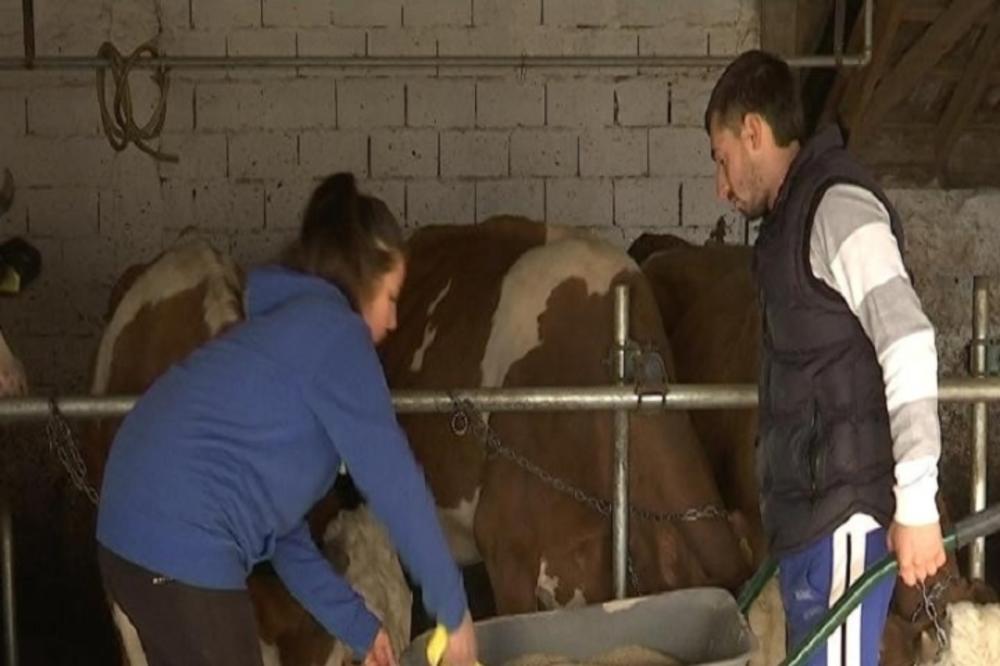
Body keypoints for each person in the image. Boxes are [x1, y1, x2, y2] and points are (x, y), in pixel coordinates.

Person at [95, 172, 478, 666]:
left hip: (133, 532)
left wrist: (356, 624)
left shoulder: (289, 335)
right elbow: (395, 482)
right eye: (391, 298)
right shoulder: (336, 337)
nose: (394, 321)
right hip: (180, 539)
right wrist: (454, 609)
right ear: (362, 281)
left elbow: (280, 533)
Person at [704, 51, 946, 664]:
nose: (721, 186)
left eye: (722, 158)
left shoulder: (836, 209)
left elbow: (909, 340)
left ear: (753, 133)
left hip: (844, 522)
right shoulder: (790, 222)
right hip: (810, 526)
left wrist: (917, 503)